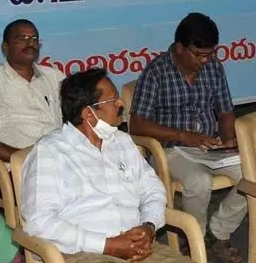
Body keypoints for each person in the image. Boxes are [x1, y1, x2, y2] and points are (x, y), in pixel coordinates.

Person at [21, 68, 191, 263]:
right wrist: (107, 245)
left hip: (138, 248)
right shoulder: (50, 152)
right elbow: (39, 222)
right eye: (112, 100)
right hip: (84, 253)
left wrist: (148, 227)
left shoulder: (122, 142)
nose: (120, 104)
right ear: (89, 114)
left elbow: (153, 190)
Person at [129, 13, 245, 263]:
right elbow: (136, 124)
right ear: (179, 48)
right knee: (198, 181)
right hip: (172, 150)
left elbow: (225, 112)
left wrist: (227, 140)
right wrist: (183, 135)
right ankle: (196, 238)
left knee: (253, 175)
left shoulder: (214, 68)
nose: (205, 60)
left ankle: (219, 230)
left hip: (209, 146)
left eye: (210, 54)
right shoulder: (156, 72)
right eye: (198, 54)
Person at [0, 18, 63, 195]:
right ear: (5, 48)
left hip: (58, 161)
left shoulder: (55, 77)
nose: (30, 44)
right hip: (15, 167)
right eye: (22, 39)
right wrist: (25, 158)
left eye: (34, 39)